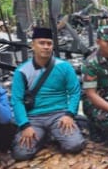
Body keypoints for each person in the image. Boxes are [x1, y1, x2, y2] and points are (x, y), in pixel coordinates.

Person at [10, 27, 86, 160]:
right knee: (21, 153)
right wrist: (25, 125)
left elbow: (75, 91)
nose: (46, 47)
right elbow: (17, 100)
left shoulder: (64, 67)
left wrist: (69, 114)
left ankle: (52, 133)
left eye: (49, 43)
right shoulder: (22, 71)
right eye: (41, 43)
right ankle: (44, 136)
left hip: (59, 115)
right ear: (32, 45)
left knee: (75, 145)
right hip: (34, 117)